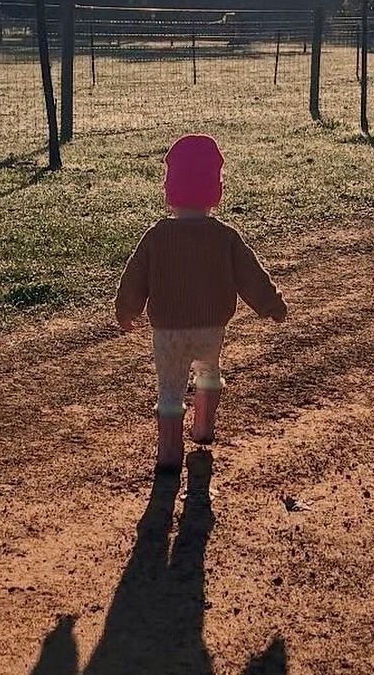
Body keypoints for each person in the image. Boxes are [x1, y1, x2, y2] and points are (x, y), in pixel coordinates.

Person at [115, 134, 288, 473]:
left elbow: (134, 277)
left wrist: (127, 309)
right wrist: (271, 305)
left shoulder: (156, 236)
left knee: (170, 388)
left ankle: (168, 452)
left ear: (169, 191)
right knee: (209, 370)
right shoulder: (225, 237)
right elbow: (250, 276)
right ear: (216, 191)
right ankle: (204, 428)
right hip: (211, 328)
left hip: (167, 331)